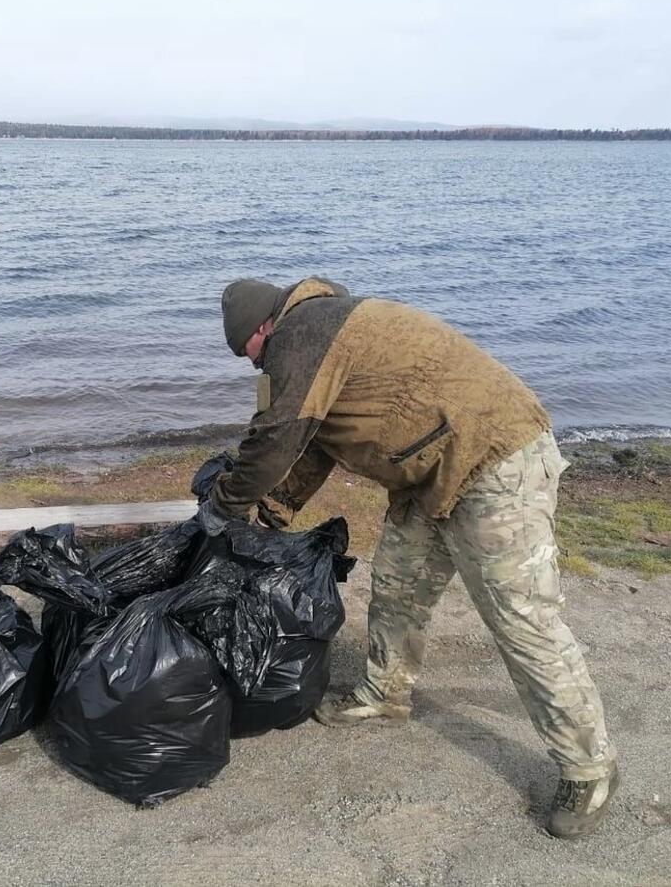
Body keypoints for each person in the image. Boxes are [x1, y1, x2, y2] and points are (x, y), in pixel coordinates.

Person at [198, 276, 619, 839]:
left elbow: (274, 437)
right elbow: (311, 442)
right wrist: (273, 512)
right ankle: (384, 693)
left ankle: (589, 768)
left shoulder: (301, 334)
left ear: (262, 327)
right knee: (397, 586)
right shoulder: (318, 331)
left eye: (246, 350)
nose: (251, 364)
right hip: (431, 470)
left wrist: (222, 509)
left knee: (522, 621)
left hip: (495, 461)